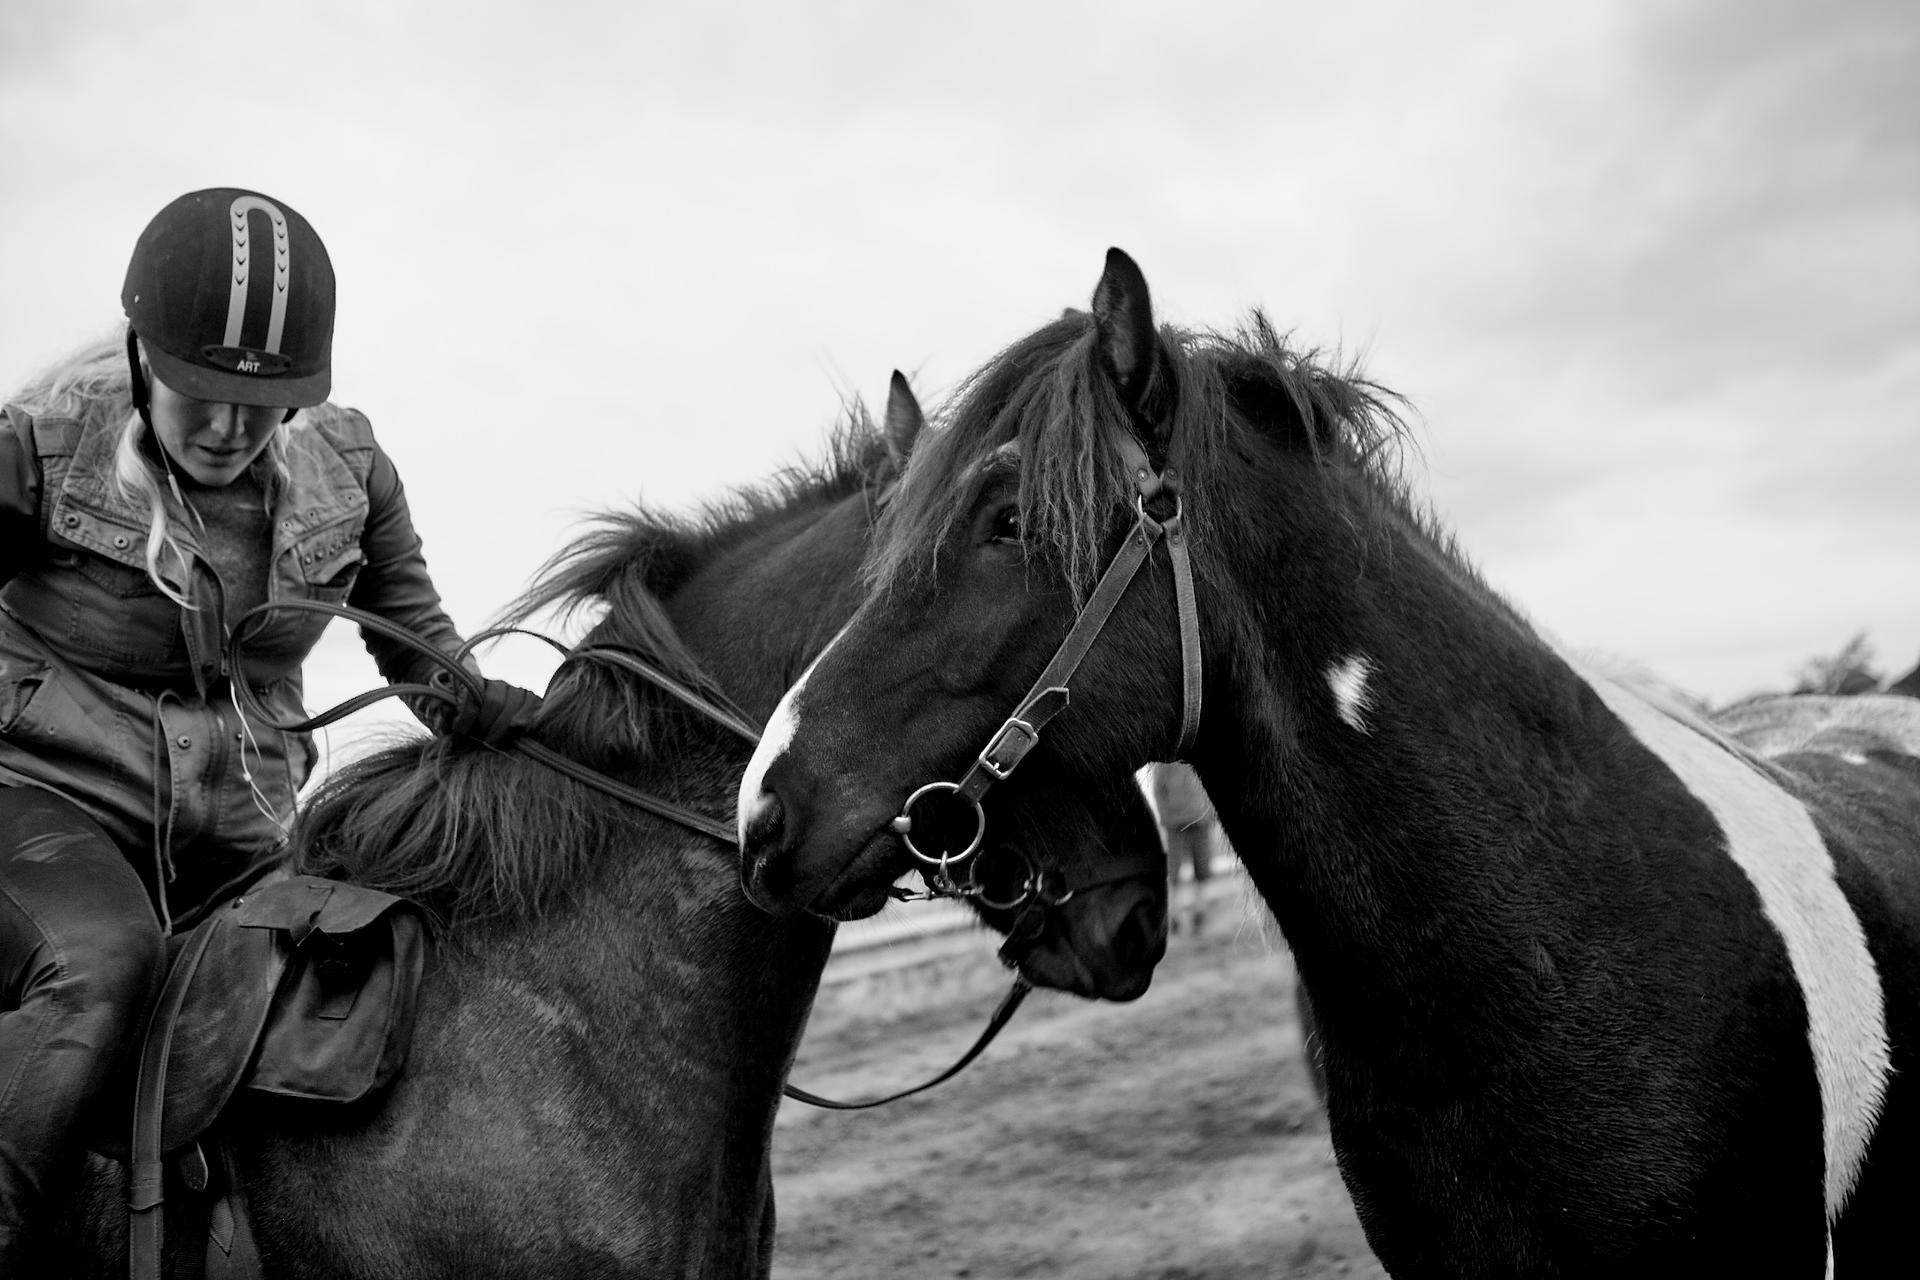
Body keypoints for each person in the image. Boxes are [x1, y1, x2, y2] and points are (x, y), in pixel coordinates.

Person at [0, 187, 478, 1255]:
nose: (227, 427)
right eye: (200, 394)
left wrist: (507, 718)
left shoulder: (351, 470)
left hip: (243, 837)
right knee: (103, 959)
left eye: (261, 404)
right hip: (36, 810)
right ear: (141, 356)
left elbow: (420, 646)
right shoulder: (33, 451)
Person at [1148, 762, 1219, 929]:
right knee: (1174, 871)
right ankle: (1175, 913)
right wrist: (1166, 817)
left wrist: (1209, 814)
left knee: (1202, 868)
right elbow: (1158, 791)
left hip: (1200, 821)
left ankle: (1200, 909)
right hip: (1175, 826)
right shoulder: (1164, 764)